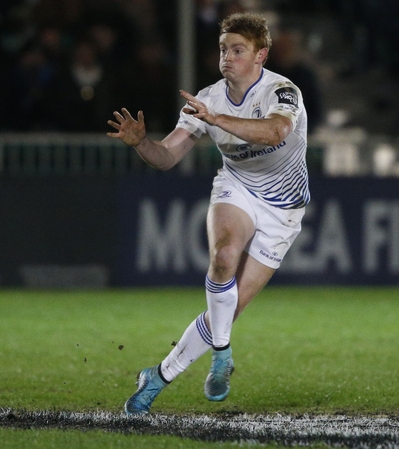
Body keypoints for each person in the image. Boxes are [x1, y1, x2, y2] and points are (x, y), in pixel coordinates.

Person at [107, 12, 308, 414]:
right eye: (223, 49)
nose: (228, 57)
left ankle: (157, 376)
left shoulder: (282, 91)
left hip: (284, 207)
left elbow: (274, 132)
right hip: (237, 188)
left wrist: (216, 120)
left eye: (238, 50)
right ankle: (222, 355)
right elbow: (166, 157)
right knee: (223, 256)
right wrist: (141, 143)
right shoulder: (208, 97)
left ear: (261, 55)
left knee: (230, 310)